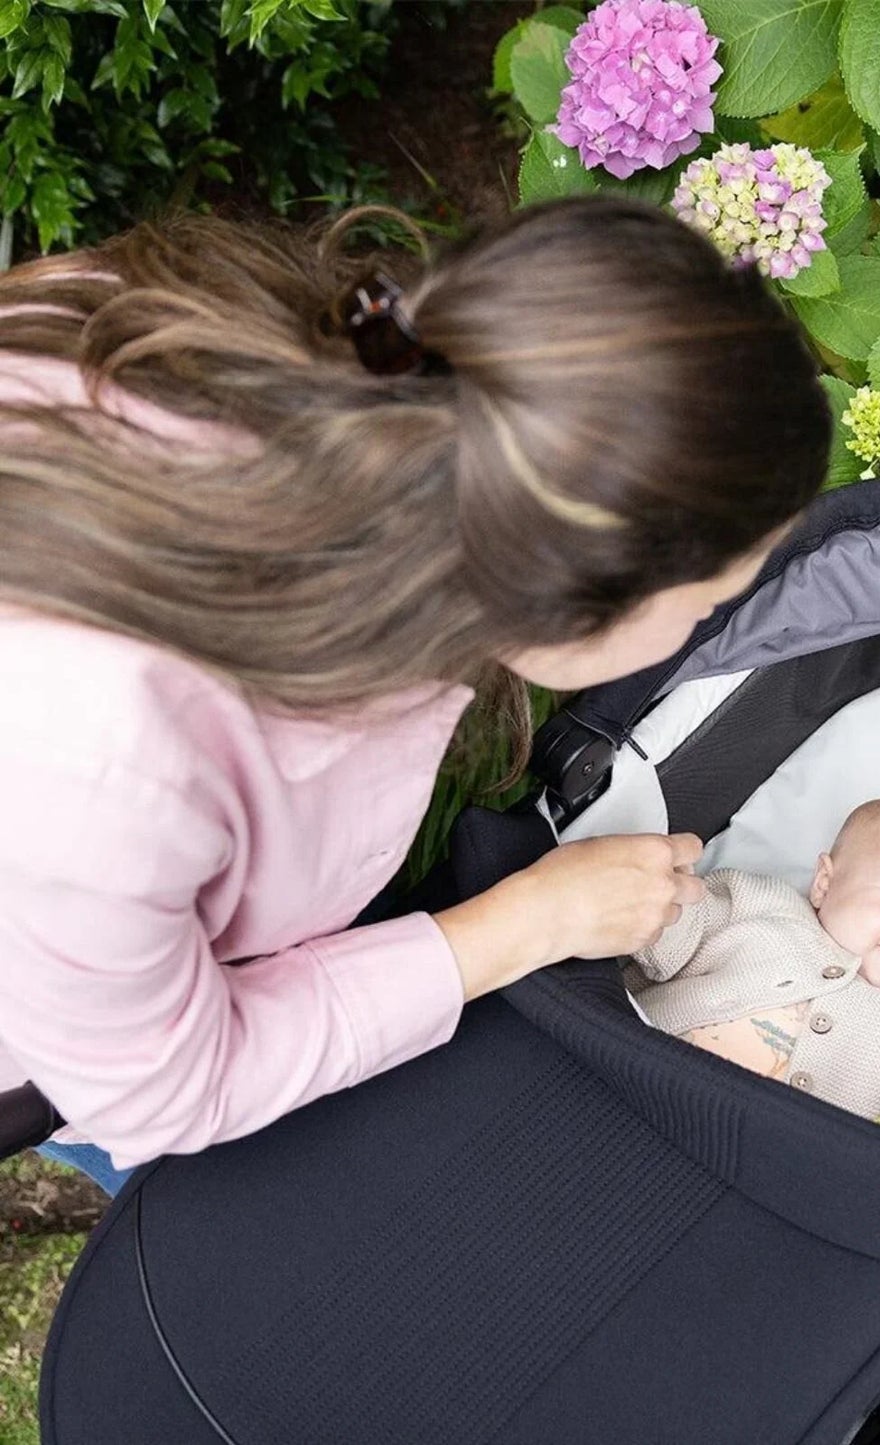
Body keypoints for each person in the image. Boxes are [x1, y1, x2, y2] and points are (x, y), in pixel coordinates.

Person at [0, 195, 831, 1195]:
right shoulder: (101, 778)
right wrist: (522, 924)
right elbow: (169, 1084)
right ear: (568, 604)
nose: (709, 623)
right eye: (713, 599)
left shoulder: (306, 346)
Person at [629, 797, 880, 1136]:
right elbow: (673, 929)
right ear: (824, 884)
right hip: (633, 1070)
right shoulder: (761, 906)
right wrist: (654, 897)